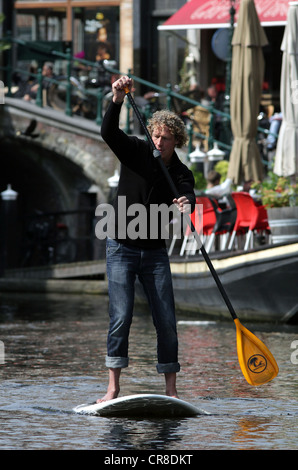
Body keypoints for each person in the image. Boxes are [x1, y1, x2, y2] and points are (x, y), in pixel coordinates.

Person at [98, 75, 196, 402]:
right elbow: (108, 132)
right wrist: (116, 98)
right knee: (122, 316)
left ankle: (171, 389)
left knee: (166, 320)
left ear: (175, 142)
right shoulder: (136, 151)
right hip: (121, 247)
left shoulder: (180, 172)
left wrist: (185, 202)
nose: (159, 142)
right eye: (155, 135)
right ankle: (113, 386)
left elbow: (187, 193)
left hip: (154, 253)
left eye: (166, 138)